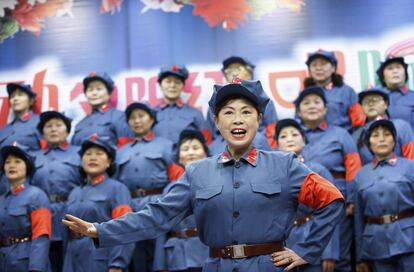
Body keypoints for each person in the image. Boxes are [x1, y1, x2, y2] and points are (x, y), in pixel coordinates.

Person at [63, 79, 345, 272]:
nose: (237, 119)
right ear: (217, 122)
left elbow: (332, 199)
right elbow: (156, 216)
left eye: (247, 112)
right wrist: (99, 230)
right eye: (229, 112)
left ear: (259, 121)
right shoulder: (197, 172)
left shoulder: (285, 165)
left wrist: (306, 250)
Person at [295, 86, 362, 272]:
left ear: (325, 109)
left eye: (317, 102)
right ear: (298, 110)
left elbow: (353, 166)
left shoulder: (340, 134)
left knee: (339, 258)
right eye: (306, 103)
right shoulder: (293, 134)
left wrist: (350, 199)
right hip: (302, 205)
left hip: (337, 202)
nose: (312, 106)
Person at [115, 102, 183, 272]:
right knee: (134, 254)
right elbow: (115, 184)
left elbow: (177, 178)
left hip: (159, 203)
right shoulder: (120, 152)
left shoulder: (166, 146)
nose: (137, 121)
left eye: (141, 116)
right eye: (132, 118)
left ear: (151, 119)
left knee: (159, 255)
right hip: (130, 206)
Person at [275, 118, 339, 272]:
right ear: (276, 145)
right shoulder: (272, 174)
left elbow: (333, 210)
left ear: (304, 141)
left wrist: (328, 252)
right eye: (283, 136)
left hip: (312, 237)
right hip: (282, 243)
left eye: (294, 134)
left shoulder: (318, 171)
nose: (289, 138)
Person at [62, 136, 134, 272]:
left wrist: (117, 265)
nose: (92, 158)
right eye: (88, 154)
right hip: (72, 259)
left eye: (99, 154)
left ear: (108, 162)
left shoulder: (117, 189)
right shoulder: (74, 192)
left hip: (100, 257)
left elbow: (124, 228)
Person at [354, 119, 414, 272]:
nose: (381, 139)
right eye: (375, 135)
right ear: (369, 144)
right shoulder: (361, 175)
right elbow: (358, 218)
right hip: (376, 245)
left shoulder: (409, 167)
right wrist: (361, 256)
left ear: (394, 141)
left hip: (409, 240)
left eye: (387, 135)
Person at [31, 111, 82, 272]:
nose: (54, 129)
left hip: (72, 212)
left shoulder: (80, 153)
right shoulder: (33, 157)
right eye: (49, 126)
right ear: (42, 132)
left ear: (67, 131)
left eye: (58, 125)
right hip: (42, 215)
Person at [153, 129, 210, 272]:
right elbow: (161, 227)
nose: (190, 152)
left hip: (207, 252)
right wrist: (160, 265)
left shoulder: (218, 183)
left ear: (206, 153)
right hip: (177, 256)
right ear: (179, 157)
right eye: (185, 149)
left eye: (196, 148)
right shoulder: (170, 189)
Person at [206, 56, 279, 148]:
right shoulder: (216, 102)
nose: (234, 73)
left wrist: (270, 154)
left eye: (239, 68)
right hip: (222, 148)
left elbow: (272, 132)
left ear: (250, 73)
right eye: (229, 71)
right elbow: (210, 135)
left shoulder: (264, 101)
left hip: (258, 147)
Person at [0, 143, 52, 271]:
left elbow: (41, 235)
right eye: (8, 162)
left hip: (27, 262)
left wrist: (36, 268)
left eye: (17, 161)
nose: (12, 165)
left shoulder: (36, 196)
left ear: (27, 167)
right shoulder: (2, 199)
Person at [304, 49, 365, 131]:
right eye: (314, 65)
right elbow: (299, 124)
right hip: (313, 141)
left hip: (341, 141)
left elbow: (359, 122)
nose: (318, 68)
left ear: (333, 68)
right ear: (310, 70)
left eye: (323, 64)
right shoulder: (304, 94)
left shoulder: (347, 92)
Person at [152, 65, 212, 148]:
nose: (172, 85)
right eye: (168, 81)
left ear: (183, 86)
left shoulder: (195, 114)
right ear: (160, 85)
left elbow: (207, 143)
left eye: (177, 82)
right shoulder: (150, 114)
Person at [352, 87, 414, 165]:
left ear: (386, 104)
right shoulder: (356, 135)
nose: (371, 104)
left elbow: (412, 159)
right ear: (361, 107)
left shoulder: (401, 127)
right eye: (366, 101)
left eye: (375, 100)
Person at [70, 72, 132, 147]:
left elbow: (127, 148)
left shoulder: (119, 117)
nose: (94, 93)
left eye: (99, 89)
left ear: (109, 94)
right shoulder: (80, 125)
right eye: (90, 90)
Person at [376, 55, 414, 129]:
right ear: (383, 77)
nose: (395, 71)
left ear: (405, 74)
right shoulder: (374, 97)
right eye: (390, 68)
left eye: (398, 67)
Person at [0, 83, 41, 151]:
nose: (15, 99)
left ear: (31, 101)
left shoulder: (40, 122)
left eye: (20, 95)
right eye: (12, 96)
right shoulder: (3, 130)